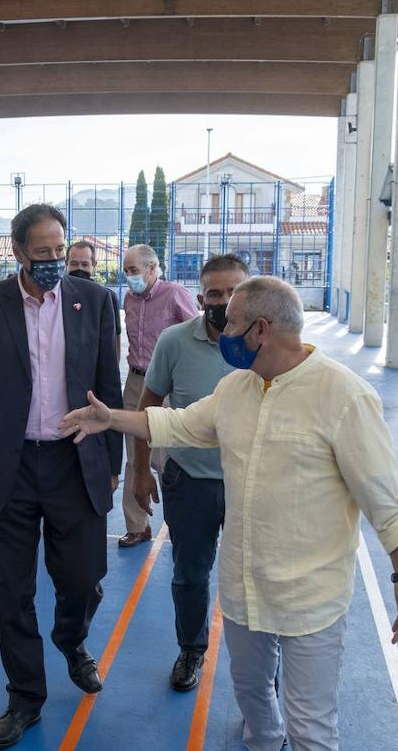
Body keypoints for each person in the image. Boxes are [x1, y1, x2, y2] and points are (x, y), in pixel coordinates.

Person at [61, 276, 398, 751]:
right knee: (252, 697)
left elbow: (385, 498)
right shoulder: (237, 389)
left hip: (309, 596)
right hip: (245, 588)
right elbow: (177, 423)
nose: (221, 328)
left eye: (232, 321)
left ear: (261, 330)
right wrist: (111, 418)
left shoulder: (343, 396)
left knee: (311, 725)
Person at [0, 203, 122, 749]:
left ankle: (72, 639)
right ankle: (25, 697)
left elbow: (108, 392)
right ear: (18, 250)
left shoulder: (94, 300)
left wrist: (111, 463)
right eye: (41, 252)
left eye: (59, 249)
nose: (52, 260)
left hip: (75, 460)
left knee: (83, 575)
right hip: (7, 466)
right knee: (12, 590)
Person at [130, 253, 249, 692]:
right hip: (189, 479)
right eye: (215, 293)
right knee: (190, 574)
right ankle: (191, 650)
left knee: (252, 575)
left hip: (249, 485)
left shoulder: (267, 343)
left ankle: (258, 666)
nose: (225, 300)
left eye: (234, 291)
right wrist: (142, 473)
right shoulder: (175, 341)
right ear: (200, 298)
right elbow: (147, 410)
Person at [119, 243, 197, 547]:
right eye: (126, 271)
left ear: (152, 268)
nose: (130, 277)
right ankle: (137, 526)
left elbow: (195, 334)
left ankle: (180, 524)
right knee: (133, 458)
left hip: (165, 386)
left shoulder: (175, 294)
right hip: (135, 382)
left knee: (166, 459)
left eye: (134, 270)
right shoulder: (129, 297)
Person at [66, 240, 122, 356]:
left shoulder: (108, 297)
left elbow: (115, 338)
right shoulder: (55, 294)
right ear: (66, 264)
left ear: (94, 266)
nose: (79, 268)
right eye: (74, 264)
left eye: (85, 264)